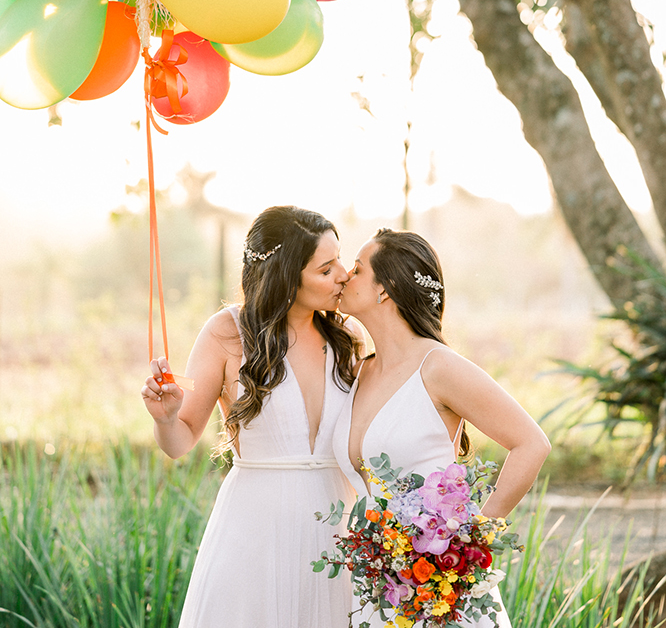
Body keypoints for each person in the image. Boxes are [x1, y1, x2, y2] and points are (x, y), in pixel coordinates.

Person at [141, 205, 363, 628]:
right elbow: (180, 441)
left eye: (340, 261)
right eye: (326, 268)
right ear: (285, 275)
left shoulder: (347, 336)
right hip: (257, 527)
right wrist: (166, 419)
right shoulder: (226, 332)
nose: (343, 276)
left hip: (339, 525)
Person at [332, 228, 551, 628]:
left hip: (440, 586)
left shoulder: (438, 367)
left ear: (387, 288)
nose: (345, 275)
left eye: (358, 269)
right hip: (378, 587)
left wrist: (469, 539)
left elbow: (531, 443)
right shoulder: (357, 371)